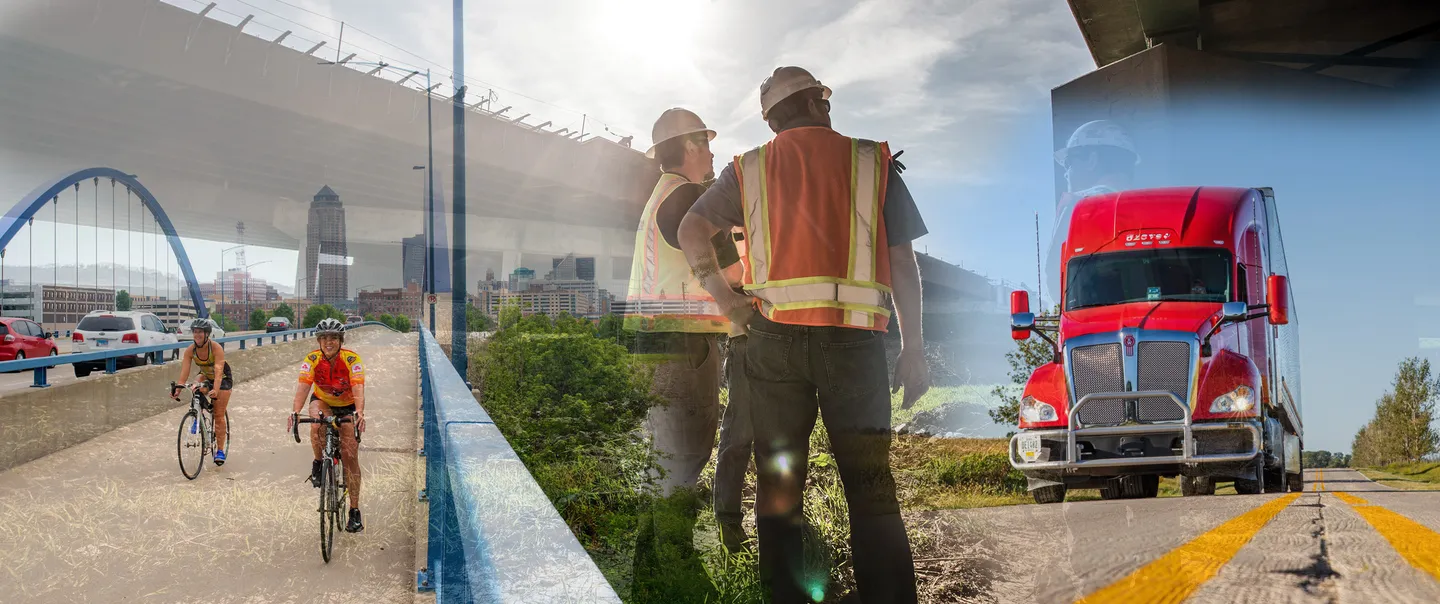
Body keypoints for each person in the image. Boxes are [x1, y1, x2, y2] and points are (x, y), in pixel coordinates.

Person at [678, 66, 931, 603]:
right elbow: (903, 263)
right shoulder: (871, 162)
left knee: (778, 489)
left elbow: (691, 228)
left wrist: (728, 302)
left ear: (770, 120)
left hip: (773, 343)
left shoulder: (748, 169)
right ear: (820, 104)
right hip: (855, 344)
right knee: (870, 490)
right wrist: (914, 349)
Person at [624, 107, 755, 551]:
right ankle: (672, 553)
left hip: (652, 340)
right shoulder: (691, 199)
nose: (713, 151)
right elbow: (735, 274)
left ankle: (650, 550)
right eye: (708, 143)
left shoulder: (662, 195)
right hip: (683, 345)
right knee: (687, 448)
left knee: (664, 449)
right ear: (691, 146)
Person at [285, 318, 368, 533]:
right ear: (319, 341)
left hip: (348, 405)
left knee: (350, 456)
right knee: (316, 423)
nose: (328, 342)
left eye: (333, 338)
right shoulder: (312, 359)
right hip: (322, 400)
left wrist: (359, 412)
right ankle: (319, 462)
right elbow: (303, 387)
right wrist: (295, 411)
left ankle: (354, 511)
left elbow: (358, 387)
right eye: (324, 338)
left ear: (340, 340)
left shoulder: (351, 359)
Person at [1046, 119, 1139, 306]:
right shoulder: (1151, 209)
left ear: (1092, 160)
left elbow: (1056, 281)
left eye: (1068, 164)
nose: (1066, 174)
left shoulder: (1079, 206)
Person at [170, 318, 232, 466]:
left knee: (218, 414)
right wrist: (178, 388)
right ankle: (197, 416)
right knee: (194, 386)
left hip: (222, 378)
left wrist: (215, 390)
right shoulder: (191, 350)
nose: (197, 335)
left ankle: (220, 451)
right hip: (205, 375)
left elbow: (218, 373)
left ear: (207, 334)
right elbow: (184, 373)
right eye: (195, 332)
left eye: (200, 332)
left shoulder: (216, 348)